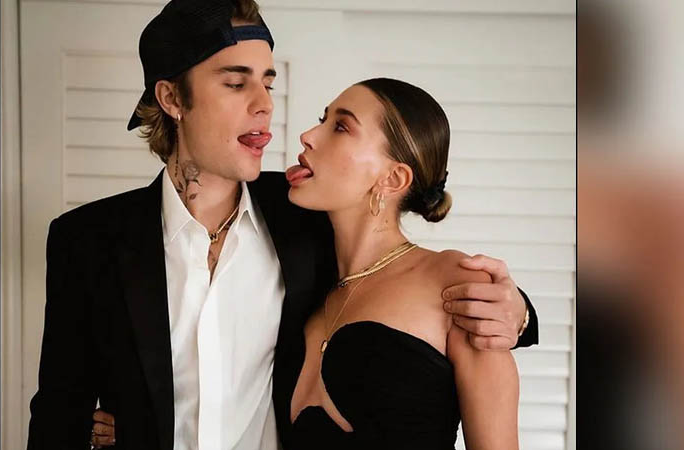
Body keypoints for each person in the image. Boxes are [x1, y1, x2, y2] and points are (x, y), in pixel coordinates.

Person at [27, 1, 538, 449]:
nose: (265, 105)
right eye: (236, 83)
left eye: (268, 83)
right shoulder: (86, 241)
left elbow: (406, 288)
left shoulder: (305, 216)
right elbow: (58, 414)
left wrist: (516, 313)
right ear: (173, 99)